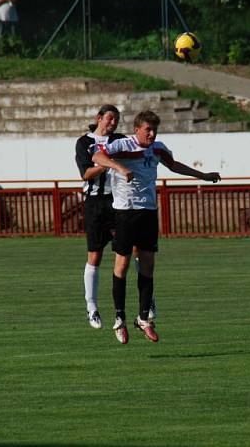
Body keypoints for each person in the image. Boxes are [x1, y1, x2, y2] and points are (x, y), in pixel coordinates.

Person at [93, 110, 221, 344]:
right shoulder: (123, 145)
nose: (152, 134)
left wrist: (202, 175)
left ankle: (143, 319)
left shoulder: (158, 148)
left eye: (155, 130)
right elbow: (97, 158)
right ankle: (119, 319)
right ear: (137, 130)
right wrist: (120, 168)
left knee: (148, 265)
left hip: (148, 212)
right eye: (148, 130)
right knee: (121, 265)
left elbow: (174, 165)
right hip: (125, 212)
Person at [74, 105, 156, 329]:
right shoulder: (85, 142)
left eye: (117, 120)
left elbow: (140, 151)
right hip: (95, 203)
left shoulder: (119, 140)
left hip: (120, 202)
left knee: (138, 250)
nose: (113, 123)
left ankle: (148, 303)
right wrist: (110, 163)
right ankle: (92, 307)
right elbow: (86, 173)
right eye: (110, 119)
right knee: (95, 255)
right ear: (99, 118)